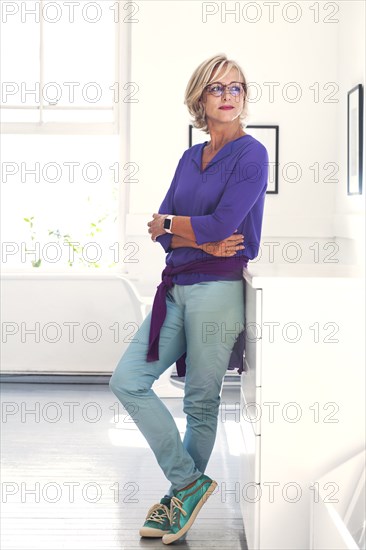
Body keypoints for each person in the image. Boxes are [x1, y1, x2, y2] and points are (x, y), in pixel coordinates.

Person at [109, 53, 269, 545]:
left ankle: (178, 501)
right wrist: (184, 231)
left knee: (201, 403)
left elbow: (221, 229)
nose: (228, 96)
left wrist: (177, 228)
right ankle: (189, 482)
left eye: (236, 88)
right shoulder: (189, 157)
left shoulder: (252, 154)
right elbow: (157, 228)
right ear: (201, 97)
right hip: (176, 287)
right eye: (218, 88)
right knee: (128, 381)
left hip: (218, 291)